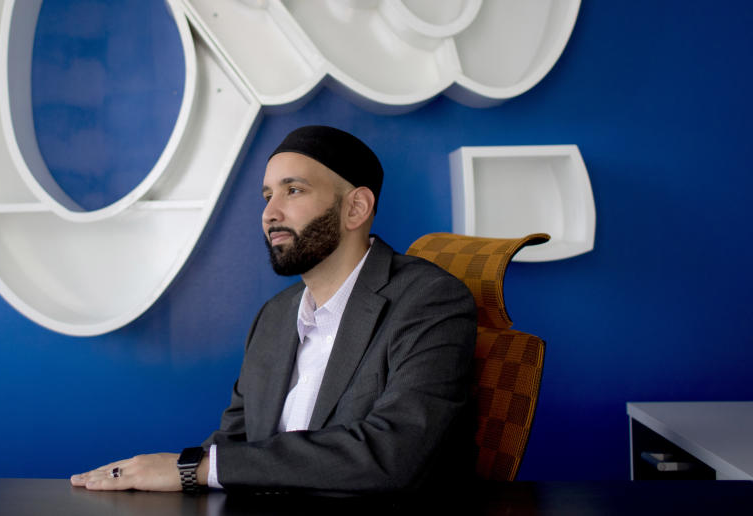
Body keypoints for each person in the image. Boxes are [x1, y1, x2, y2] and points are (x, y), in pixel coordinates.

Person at [70, 125, 477, 493]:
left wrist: (192, 470)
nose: (270, 213)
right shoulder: (275, 316)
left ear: (355, 208)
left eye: (293, 190)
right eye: (267, 196)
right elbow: (235, 445)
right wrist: (159, 473)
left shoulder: (429, 302)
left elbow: (391, 454)